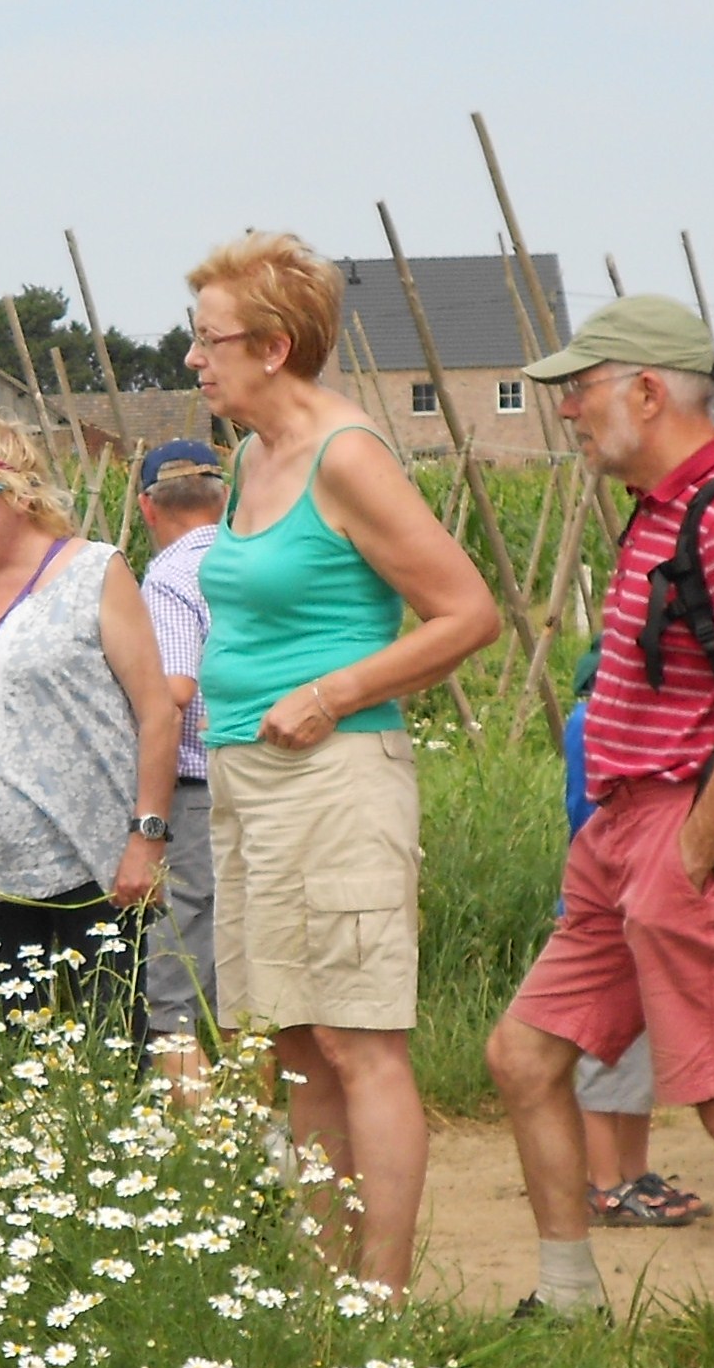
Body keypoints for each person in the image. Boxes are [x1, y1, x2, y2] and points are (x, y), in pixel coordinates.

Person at [485, 294, 714, 1368]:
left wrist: (687, 855)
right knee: (523, 1054)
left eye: (578, 387)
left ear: (644, 390)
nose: (565, 408)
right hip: (617, 832)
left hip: (685, 834)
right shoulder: (657, 508)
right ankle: (567, 1296)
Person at [183, 232, 500, 1300]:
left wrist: (332, 690)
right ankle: (323, 1290)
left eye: (206, 339)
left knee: (361, 1039)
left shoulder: (346, 453)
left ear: (272, 346)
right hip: (247, 780)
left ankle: (382, 1296)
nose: (192, 359)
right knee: (295, 1045)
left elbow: (467, 613)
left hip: (334, 779)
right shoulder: (246, 456)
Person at [0, 415, 181, 1043]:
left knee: (112, 1049)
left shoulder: (93, 572)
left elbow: (156, 710)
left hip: (93, 865)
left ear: (18, 495)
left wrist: (147, 835)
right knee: (4, 1058)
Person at [562, 642, 708, 1228]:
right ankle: (604, 1183)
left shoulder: (606, 718)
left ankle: (633, 1173)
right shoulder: (593, 721)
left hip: (641, 893)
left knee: (637, 1043)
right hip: (611, 896)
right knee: (605, 1042)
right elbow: (595, 816)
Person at [132, 439, 227, 1100]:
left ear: (146, 508)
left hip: (194, 789)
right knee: (251, 980)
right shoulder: (253, 559)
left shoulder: (168, 577)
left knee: (174, 985)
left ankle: (198, 1149)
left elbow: (174, 690)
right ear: (222, 497)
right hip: (270, 777)